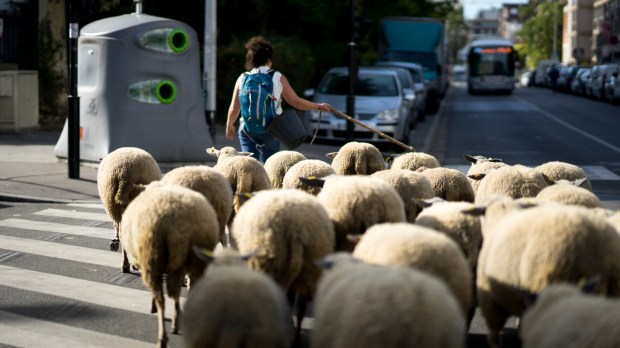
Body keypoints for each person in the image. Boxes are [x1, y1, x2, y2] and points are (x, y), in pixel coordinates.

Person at [226, 36, 331, 163]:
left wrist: (229, 125)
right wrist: (318, 106)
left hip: (247, 130)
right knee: (270, 167)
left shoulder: (242, 78)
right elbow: (295, 101)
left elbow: (234, 107)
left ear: (251, 59)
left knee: (248, 166)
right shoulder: (276, 77)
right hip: (272, 129)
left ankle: (248, 182)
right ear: (269, 59)